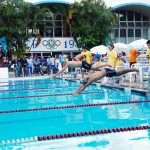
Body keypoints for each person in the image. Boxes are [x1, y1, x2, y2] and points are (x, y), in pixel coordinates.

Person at [72, 67, 139, 96]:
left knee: (120, 73)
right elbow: (83, 85)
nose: (85, 83)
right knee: (119, 73)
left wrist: (77, 93)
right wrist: (76, 92)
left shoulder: (90, 79)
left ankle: (132, 69)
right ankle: (132, 69)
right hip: (106, 72)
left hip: (107, 71)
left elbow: (84, 86)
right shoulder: (88, 77)